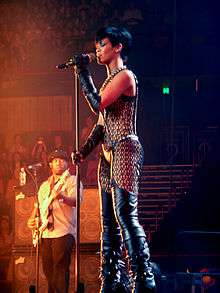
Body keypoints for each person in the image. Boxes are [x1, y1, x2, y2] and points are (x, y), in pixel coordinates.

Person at [73, 26, 156, 292]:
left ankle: (144, 280)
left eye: (102, 44)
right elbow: (100, 124)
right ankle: (112, 280)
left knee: (125, 214)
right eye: (96, 45)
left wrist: (82, 72)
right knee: (107, 221)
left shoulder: (125, 76)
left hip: (126, 148)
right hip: (109, 153)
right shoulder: (109, 81)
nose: (97, 49)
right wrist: (84, 151)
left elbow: (98, 103)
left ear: (118, 47)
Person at [27, 149, 83, 293]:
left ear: (67, 163)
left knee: (60, 269)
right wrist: (32, 219)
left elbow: (77, 201)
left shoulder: (72, 180)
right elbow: (38, 207)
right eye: (55, 160)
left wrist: (61, 197)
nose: (59, 162)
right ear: (50, 164)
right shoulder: (44, 186)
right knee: (49, 272)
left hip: (64, 231)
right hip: (46, 233)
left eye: (62, 160)